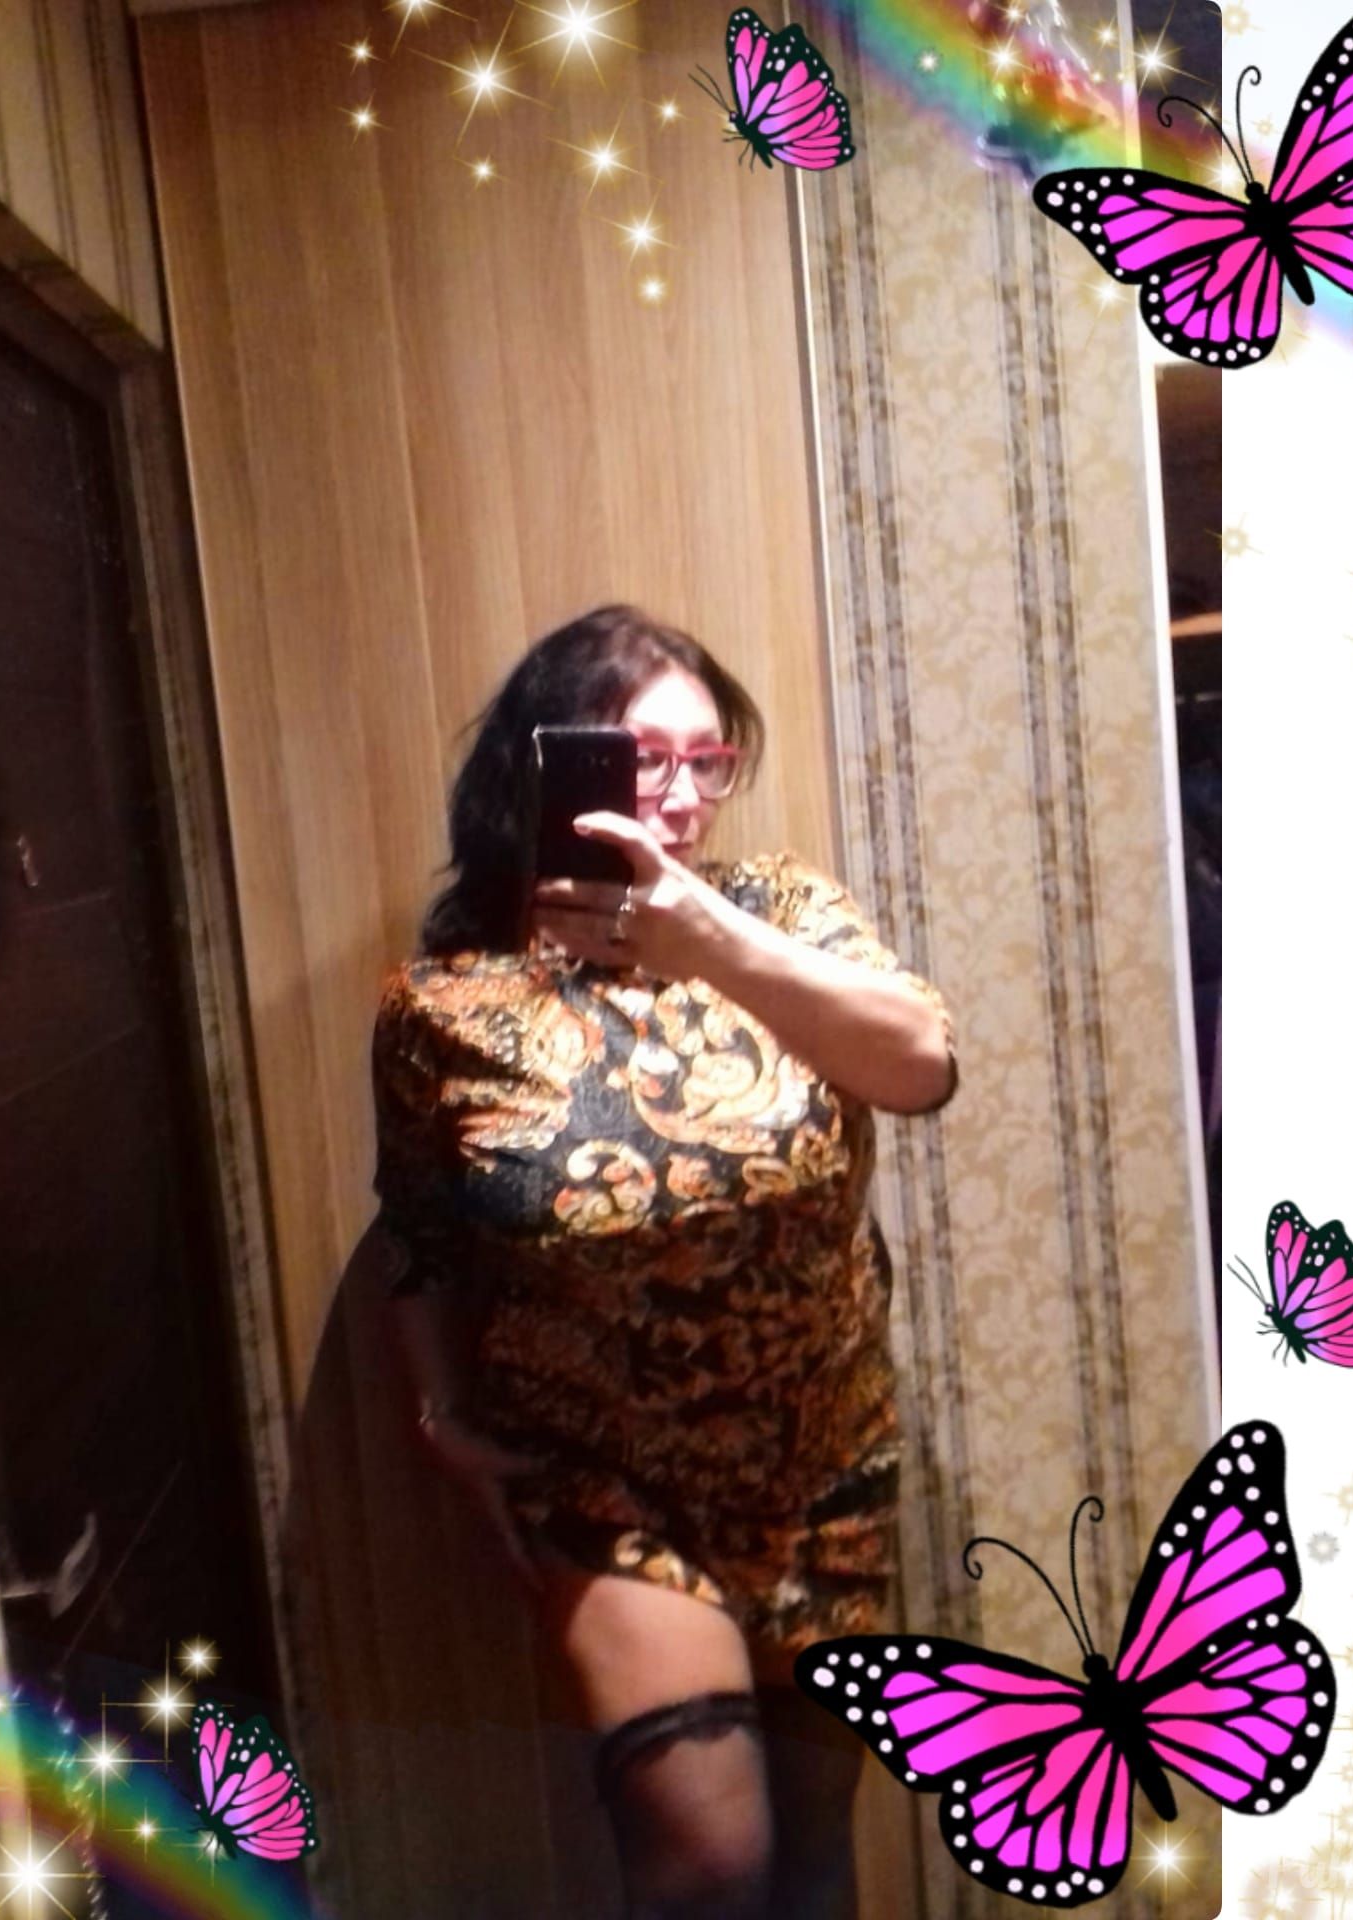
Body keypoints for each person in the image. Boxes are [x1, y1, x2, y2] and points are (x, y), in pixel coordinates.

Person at [368, 606, 957, 1919]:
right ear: (548, 761)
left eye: (709, 761)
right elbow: (415, 1230)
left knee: (814, 1861)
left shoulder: (784, 910)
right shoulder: (444, 1001)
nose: (684, 797)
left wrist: (707, 943)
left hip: (822, 1462)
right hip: (604, 1485)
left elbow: (921, 1066)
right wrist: (438, 1413)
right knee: (710, 1871)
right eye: (645, 759)